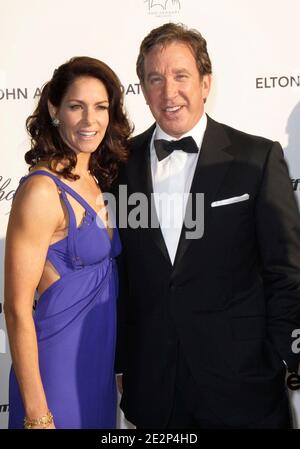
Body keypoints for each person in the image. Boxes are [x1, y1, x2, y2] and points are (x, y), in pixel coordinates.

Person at [115, 23, 300, 429]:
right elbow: (124, 277)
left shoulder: (256, 158)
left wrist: (282, 356)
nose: (169, 92)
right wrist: (123, 364)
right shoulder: (119, 166)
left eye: (181, 76)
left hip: (243, 387)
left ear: (205, 82)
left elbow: (285, 270)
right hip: (154, 390)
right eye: (155, 79)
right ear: (142, 89)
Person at [4, 56, 132, 429]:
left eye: (100, 107)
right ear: (54, 109)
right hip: (55, 373)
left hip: (95, 367)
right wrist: (38, 414)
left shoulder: (95, 178)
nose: (90, 120)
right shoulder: (42, 191)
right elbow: (16, 308)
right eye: (76, 107)